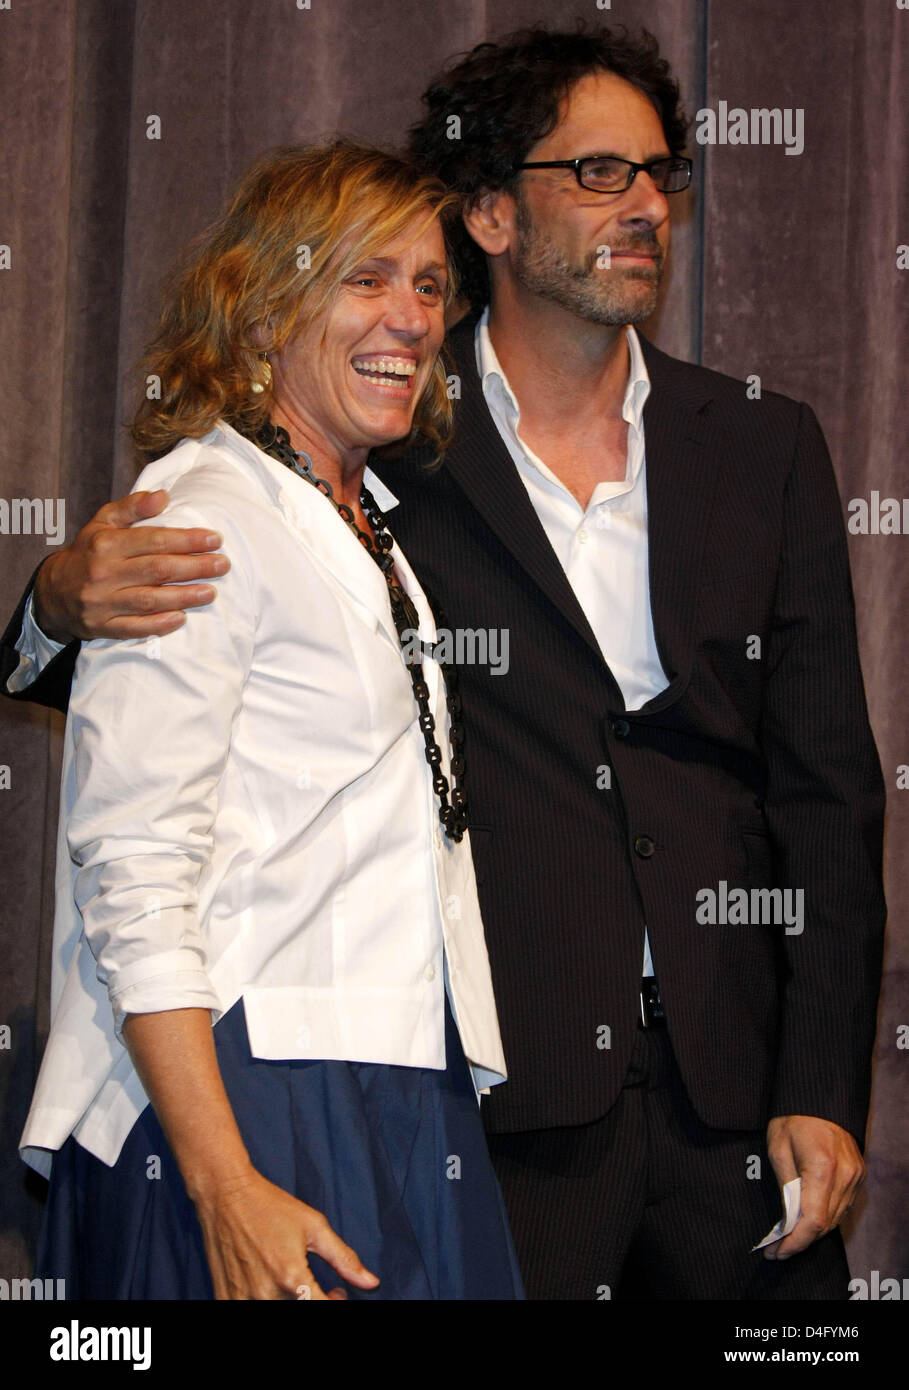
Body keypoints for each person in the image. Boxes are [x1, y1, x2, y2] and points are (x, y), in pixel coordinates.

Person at [3, 25, 885, 1300]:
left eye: (658, 174)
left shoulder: (762, 447)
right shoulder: (380, 438)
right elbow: (145, 711)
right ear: (493, 213)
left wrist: (820, 1084)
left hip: (736, 1113)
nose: (643, 204)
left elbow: (829, 795)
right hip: (497, 1112)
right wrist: (55, 600)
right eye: (596, 173)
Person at [11, 140, 524, 1301]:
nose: (410, 314)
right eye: (364, 277)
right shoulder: (202, 519)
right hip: (252, 1097)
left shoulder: (364, 520)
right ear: (260, 310)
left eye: (431, 285)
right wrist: (224, 1179)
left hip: (396, 1079)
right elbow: (135, 870)